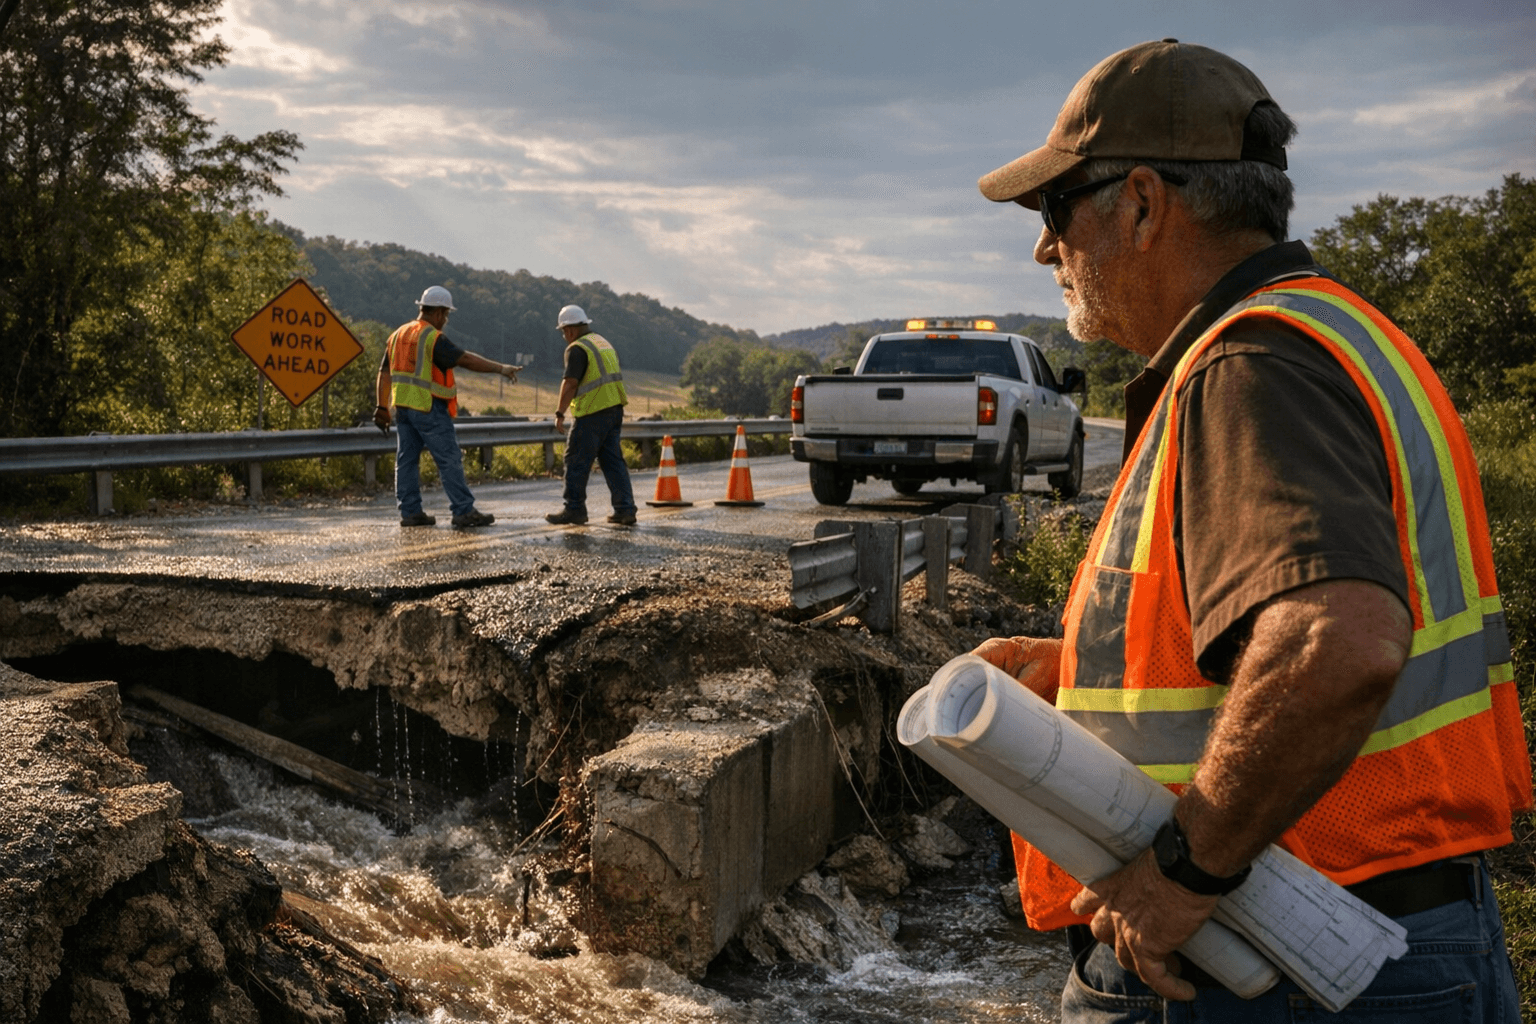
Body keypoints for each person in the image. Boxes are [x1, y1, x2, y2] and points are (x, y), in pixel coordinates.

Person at [970, 39, 1531, 1021]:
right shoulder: (1335, 334)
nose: (1044, 248)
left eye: (1056, 211)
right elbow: (1306, 620)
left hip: (1280, 961)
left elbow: (1338, 637)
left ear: (1142, 202)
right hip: (1373, 937)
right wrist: (1090, 671)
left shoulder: (1249, 368)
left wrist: (1181, 871)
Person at [373, 285, 520, 528]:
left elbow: (384, 373)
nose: (446, 320)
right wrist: (500, 368)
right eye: (446, 315)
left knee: (406, 460)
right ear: (440, 313)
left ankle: (410, 512)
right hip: (428, 407)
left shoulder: (398, 334)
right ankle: (463, 510)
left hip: (403, 409)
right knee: (449, 458)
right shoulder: (431, 337)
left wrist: (381, 406)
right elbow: (463, 359)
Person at [544, 304, 637, 526]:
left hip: (593, 412)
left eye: (563, 332)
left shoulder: (577, 348)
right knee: (612, 460)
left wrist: (559, 412)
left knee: (575, 459)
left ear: (570, 330)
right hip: (614, 409)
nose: (564, 336)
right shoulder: (602, 343)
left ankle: (574, 509)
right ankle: (625, 509)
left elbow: (570, 383)